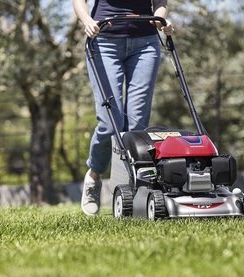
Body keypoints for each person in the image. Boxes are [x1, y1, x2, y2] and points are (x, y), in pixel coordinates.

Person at [73, 0, 174, 216]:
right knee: (111, 123)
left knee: (137, 128)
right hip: (104, 42)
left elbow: (161, 1)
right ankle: (94, 175)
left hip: (146, 44)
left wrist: (161, 19)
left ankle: (130, 192)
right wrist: (87, 20)